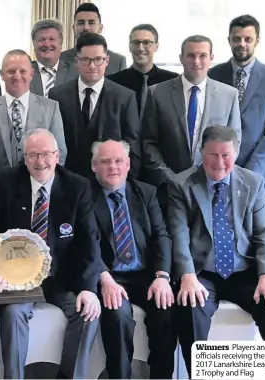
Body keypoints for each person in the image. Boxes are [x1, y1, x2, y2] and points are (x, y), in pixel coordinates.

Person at [0, 129, 101, 379]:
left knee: (89, 313)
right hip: (17, 280)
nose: (40, 162)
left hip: (62, 279)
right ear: (24, 158)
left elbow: (90, 242)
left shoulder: (78, 187)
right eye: (33, 155)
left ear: (57, 156)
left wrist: (89, 289)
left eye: (46, 154)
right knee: (13, 314)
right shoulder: (5, 183)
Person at [168, 125, 265, 377]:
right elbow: (179, 235)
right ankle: (201, 375)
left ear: (236, 152)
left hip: (244, 270)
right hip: (202, 272)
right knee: (189, 310)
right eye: (213, 155)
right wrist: (187, 275)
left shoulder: (253, 182)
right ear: (201, 153)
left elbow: (264, 234)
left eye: (226, 155)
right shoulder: (181, 185)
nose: (220, 163)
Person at [90, 140, 176, 379]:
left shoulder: (146, 193)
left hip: (146, 275)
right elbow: (85, 245)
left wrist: (162, 276)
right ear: (94, 166)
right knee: (117, 316)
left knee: (166, 308)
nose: (113, 167)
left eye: (119, 161)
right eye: (105, 161)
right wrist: (104, 279)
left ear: (128, 164)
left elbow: (162, 236)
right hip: (109, 276)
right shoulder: (84, 195)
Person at [142, 35, 241, 209]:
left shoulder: (228, 95)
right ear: (181, 58)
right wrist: (169, 179)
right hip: (168, 189)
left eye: (202, 56)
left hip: (212, 189)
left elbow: (235, 142)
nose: (196, 61)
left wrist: (216, 175)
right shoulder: (157, 93)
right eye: (190, 55)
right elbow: (148, 142)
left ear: (211, 58)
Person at [49, 32, 140, 179]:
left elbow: (133, 147)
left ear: (107, 61)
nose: (92, 66)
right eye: (85, 59)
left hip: (110, 182)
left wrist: (126, 187)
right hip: (69, 182)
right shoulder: (58, 96)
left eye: (98, 59)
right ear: (76, 61)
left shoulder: (125, 97)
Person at [208, 15, 265, 196]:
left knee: (254, 225)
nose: (242, 44)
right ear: (229, 41)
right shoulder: (213, 74)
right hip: (216, 171)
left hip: (257, 174)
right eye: (236, 39)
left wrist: (250, 171)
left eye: (248, 39)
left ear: (257, 40)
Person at [0, 49, 66, 184]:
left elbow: (59, 153)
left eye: (22, 71)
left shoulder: (50, 108)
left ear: (32, 74)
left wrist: (42, 185)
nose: (17, 76)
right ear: (2, 75)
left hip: (40, 189)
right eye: (11, 71)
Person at [107, 24, 178, 119]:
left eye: (146, 42)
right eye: (136, 42)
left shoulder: (172, 81)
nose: (140, 48)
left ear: (156, 46)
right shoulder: (113, 83)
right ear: (129, 46)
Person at [60, 3, 126, 75]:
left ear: (100, 28)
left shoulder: (118, 61)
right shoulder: (60, 59)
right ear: (73, 29)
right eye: (81, 23)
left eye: (91, 23)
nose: (86, 27)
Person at [29, 19, 76, 97]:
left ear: (61, 43)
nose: (47, 44)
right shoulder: (24, 72)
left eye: (51, 39)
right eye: (41, 40)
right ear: (34, 44)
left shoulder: (75, 72)